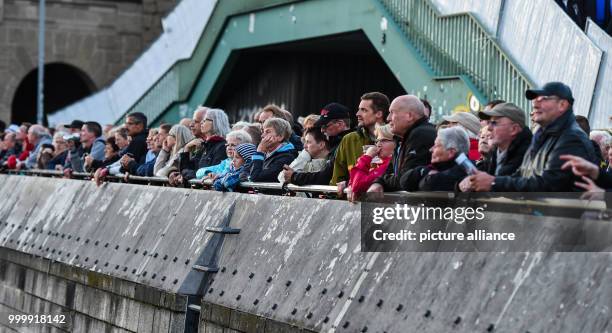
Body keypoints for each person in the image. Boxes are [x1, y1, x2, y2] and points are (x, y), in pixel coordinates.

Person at [468, 82, 597, 192]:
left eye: (543, 98)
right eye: (535, 99)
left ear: (562, 105)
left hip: (567, 219)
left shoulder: (571, 138)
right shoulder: (543, 136)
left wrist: (494, 182)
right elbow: (523, 175)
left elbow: (549, 184)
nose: (535, 103)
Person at [368, 95, 436, 193]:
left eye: (392, 112)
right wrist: (379, 181)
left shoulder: (420, 134)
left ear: (409, 116)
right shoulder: (408, 136)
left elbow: (405, 179)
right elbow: (393, 173)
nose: (388, 118)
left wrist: (381, 182)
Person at [284, 103, 352, 185]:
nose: (322, 130)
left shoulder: (347, 143)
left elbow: (326, 176)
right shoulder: (336, 144)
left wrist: (295, 177)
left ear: (340, 124)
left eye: (325, 126)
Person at [333, 92, 389, 187]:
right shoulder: (349, 139)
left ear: (379, 114)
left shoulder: (395, 139)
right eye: (359, 109)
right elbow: (337, 179)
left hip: (386, 200)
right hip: (352, 201)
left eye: (364, 110)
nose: (357, 114)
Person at [400, 127, 470, 191]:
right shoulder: (438, 167)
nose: (431, 149)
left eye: (436, 146)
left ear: (451, 152)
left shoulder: (467, 169)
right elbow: (404, 181)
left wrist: (428, 176)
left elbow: (428, 184)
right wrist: (425, 171)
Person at [173, 109, 230, 185]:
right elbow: (185, 170)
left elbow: (209, 175)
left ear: (216, 122)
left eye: (205, 120)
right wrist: (186, 150)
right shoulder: (204, 145)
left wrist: (190, 175)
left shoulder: (222, 147)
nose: (202, 123)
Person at [476, 102, 532, 176]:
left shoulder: (528, 156)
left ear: (514, 129)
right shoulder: (494, 154)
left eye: (494, 123)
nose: (489, 128)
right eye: (489, 122)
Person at [346, 124, 395, 201]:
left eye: (384, 140)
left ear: (397, 143)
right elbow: (355, 181)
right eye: (377, 141)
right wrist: (349, 185)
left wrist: (366, 157)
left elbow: (357, 186)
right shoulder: (379, 163)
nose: (378, 144)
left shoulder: (389, 165)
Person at [244, 118, 298, 182]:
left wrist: (260, 152)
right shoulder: (265, 154)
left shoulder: (287, 157)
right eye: (263, 132)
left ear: (280, 136)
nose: (262, 135)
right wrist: (248, 177)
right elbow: (244, 172)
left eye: (268, 132)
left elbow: (256, 178)